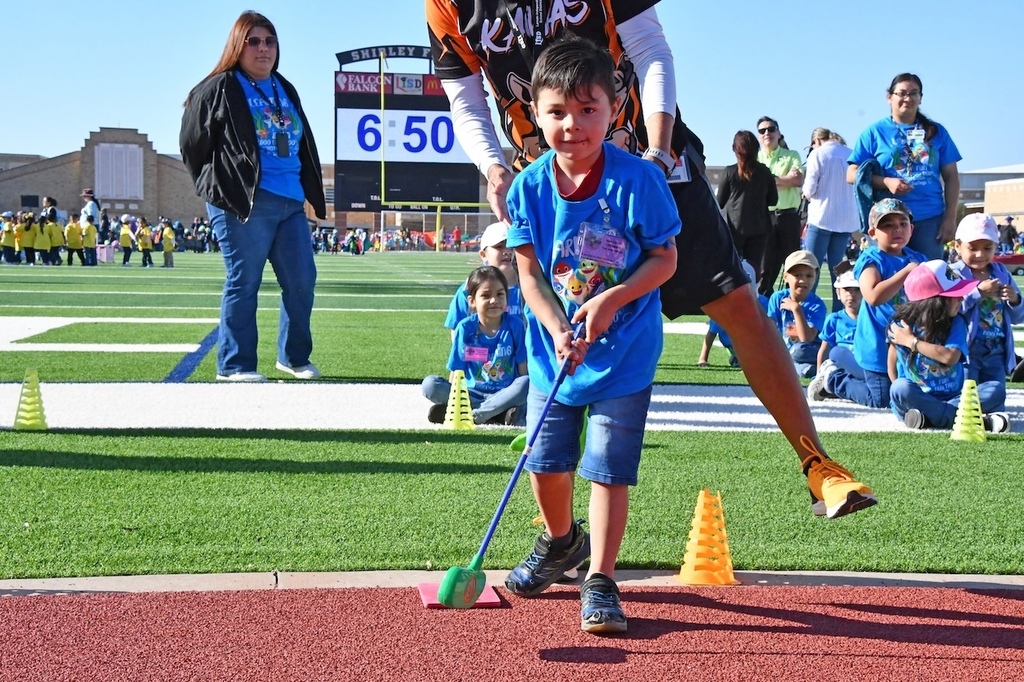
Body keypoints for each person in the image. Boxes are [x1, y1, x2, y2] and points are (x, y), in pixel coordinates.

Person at [427, 0, 875, 525]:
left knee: (737, 305)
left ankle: (817, 464)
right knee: (570, 337)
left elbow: (650, 50)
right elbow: (466, 96)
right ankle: (559, 519)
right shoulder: (448, 4)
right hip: (561, 185)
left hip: (648, 165)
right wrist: (494, 167)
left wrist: (659, 152)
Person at [500, 36, 679, 634]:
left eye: (588, 110)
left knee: (607, 466)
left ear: (613, 108)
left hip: (624, 353)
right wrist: (556, 328)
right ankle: (561, 544)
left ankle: (600, 578)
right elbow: (528, 274)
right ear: (535, 112)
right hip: (555, 355)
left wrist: (610, 299)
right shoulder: (527, 188)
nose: (572, 125)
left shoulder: (639, 181)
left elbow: (664, 260)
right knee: (546, 463)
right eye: (557, 112)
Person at [180, 10, 326, 382]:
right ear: (237, 46)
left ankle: (293, 357)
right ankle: (235, 365)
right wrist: (218, 187)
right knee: (244, 280)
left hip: (291, 201)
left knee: (302, 278)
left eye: (270, 41)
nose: (263, 48)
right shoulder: (218, 87)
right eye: (253, 41)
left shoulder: (285, 87)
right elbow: (192, 147)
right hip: (243, 202)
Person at [815, 199, 927, 409]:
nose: (897, 230)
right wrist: (906, 272)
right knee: (881, 399)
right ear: (873, 233)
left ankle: (841, 359)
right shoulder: (871, 257)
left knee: (913, 392)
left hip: (907, 344)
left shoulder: (918, 258)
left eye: (903, 224)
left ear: (911, 228)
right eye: (888, 225)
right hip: (876, 345)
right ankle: (834, 379)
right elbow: (873, 295)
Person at [847, 73, 961, 261]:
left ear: (921, 98)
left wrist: (950, 218)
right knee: (890, 279)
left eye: (914, 93)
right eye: (901, 93)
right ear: (889, 97)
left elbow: (951, 177)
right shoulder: (874, 133)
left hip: (929, 218)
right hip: (889, 220)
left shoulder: (936, 132)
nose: (907, 98)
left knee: (928, 279)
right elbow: (851, 174)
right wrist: (886, 182)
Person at [888, 260, 1009, 433]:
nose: (961, 298)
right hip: (917, 399)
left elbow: (950, 357)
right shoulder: (900, 323)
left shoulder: (956, 322)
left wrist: (912, 342)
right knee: (900, 387)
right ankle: (974, 420)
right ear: (933, 301)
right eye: (955, 294)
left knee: (995, 389)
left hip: (953, 397)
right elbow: (892, 360)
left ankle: (933, 417)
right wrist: (902, 392)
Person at [422, 265, 529, 425]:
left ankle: (475, 414)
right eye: (486, 295)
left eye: (500, 294)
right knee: (430, 385)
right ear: (472, 301)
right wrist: (455, 398)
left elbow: (523, 368)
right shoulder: (465, 328)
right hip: (469, 392)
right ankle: (495, 413)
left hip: (504, 392)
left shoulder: (516, 326)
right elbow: (457, 369)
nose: (494, 300)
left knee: (526, 383)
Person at [951, 214, 1023, 410]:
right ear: (958, 247)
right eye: (972, 248)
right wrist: (977, 293)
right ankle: (948, 412)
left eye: (987, 248)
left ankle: (992, 417)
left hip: (997, 348)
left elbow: (1018, 317)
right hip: (967, 349)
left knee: (996, 396)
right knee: (967, 393)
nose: (980, 254)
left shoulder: (1001, 273)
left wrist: (1015, 300)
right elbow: (949, 310)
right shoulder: (954, 273)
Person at [802, 127, 859, 311]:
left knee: (811, 270)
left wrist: (806, 195)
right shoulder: (851, 154)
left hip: (821, 217)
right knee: (839, 273)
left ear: (817, 141)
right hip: (844, 221)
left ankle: (808, 314)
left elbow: (809, 188)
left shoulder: (818, 154)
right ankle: (840, 315)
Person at [444, 222, 523, 338]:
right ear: (483, 254)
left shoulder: (530, 288)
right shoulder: (469, 289)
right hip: (481, 355)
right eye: (499, 246)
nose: (507, 251)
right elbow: (457, 328)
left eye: (511, 246)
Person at [716, 131, 776, 279]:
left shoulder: (729, 172)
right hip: (759, 229)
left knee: (730, 270)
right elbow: (773, 200)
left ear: (734, 149)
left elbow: (720, 202)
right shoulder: (765, 172)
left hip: (732, 228)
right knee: (754, 271)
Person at [755, 116, 804, 297]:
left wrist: (768, 180)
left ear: (778, 132)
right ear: (758, 136)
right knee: (765, 270)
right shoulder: (755, 158)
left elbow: (798, 180)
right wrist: (785, 179)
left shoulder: (792, 155)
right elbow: (754, 185)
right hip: (765, 218)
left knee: (793, 266)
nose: (767, 133)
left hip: (788, 217)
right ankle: (765, 312)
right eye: (762, 130)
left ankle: (792, 310)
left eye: (771, 129)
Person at [765, 250, 827, 378]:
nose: (803, 280)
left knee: (798, 351)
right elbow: (770, 329)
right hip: (784, 350)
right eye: (797, 275)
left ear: (816, 277)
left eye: (809, 276)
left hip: (807, 349)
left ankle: (791, 363)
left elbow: (807, 339)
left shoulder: (817, 305)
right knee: (799, 368)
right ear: (786, 276)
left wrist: (796, 309)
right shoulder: (778, 298)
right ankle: (800, 367)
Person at [697, 260, 767, 367]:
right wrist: (703, 359)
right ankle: (739, 357)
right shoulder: (724, 306)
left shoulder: (765, 303)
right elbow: (712, 332)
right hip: (735, 344)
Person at [807, 269, 862, 401]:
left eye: (857, 289)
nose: (851, 294)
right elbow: (824, 349)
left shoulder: (871, 319)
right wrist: (818, 374)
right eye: (847, 289)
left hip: (862, 363)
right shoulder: (834, 319)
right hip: (841, 364)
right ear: (838, 293)